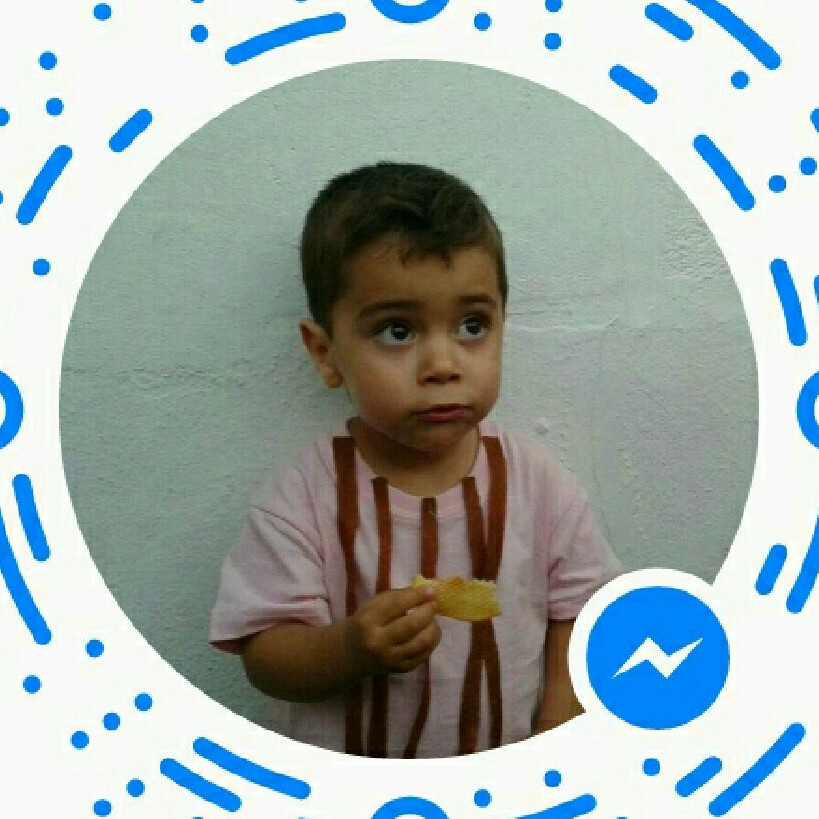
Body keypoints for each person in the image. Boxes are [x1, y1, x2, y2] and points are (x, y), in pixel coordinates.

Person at [209, 161, 622, 757]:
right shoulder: (302, 498)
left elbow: (584, 613)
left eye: (472, 326)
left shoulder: (539, 486)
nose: (443, 365)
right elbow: (265, 655)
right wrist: (350, 649)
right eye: (397, 332)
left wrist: (558, 723)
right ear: (325, 353)